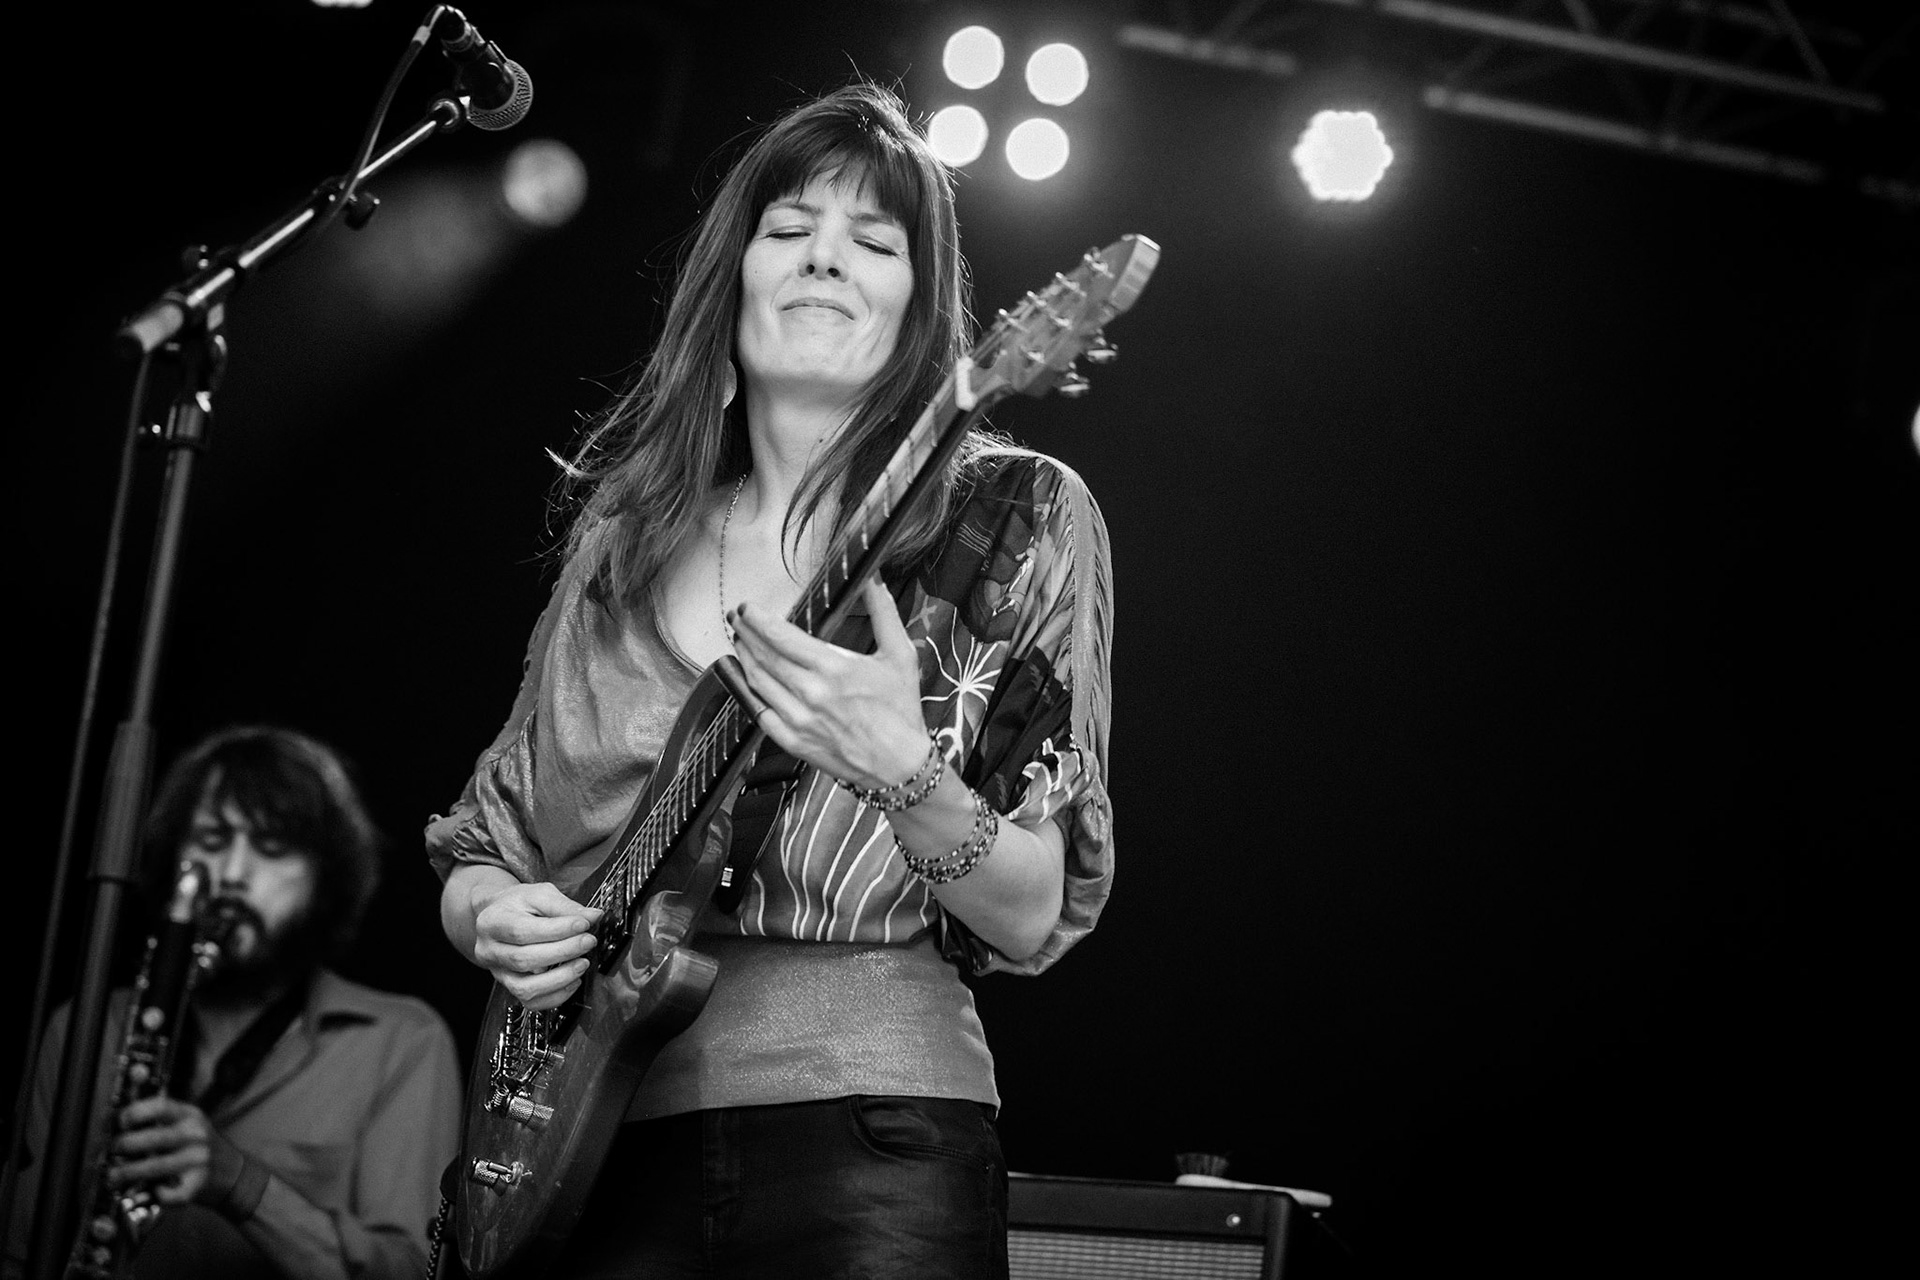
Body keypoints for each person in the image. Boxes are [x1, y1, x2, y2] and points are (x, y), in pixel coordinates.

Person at [426, 81, 1115, 1278]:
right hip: (586, 1150)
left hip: (872, 1131)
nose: (824, 258)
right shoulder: (623, 543)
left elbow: (1027, 910)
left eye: (875, 242)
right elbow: (486, 845)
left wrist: (904, 772)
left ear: (921, 314)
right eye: (790, 228)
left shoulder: (1013, 520)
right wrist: (491, 916)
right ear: (732, 286)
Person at [4, 725, 463, 1280]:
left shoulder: (402, 1042)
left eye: (272, 849)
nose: (232, 876)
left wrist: (240, 1184)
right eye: (212, 840)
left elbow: (413, 1271)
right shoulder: (84, 1029)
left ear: (325, 878)